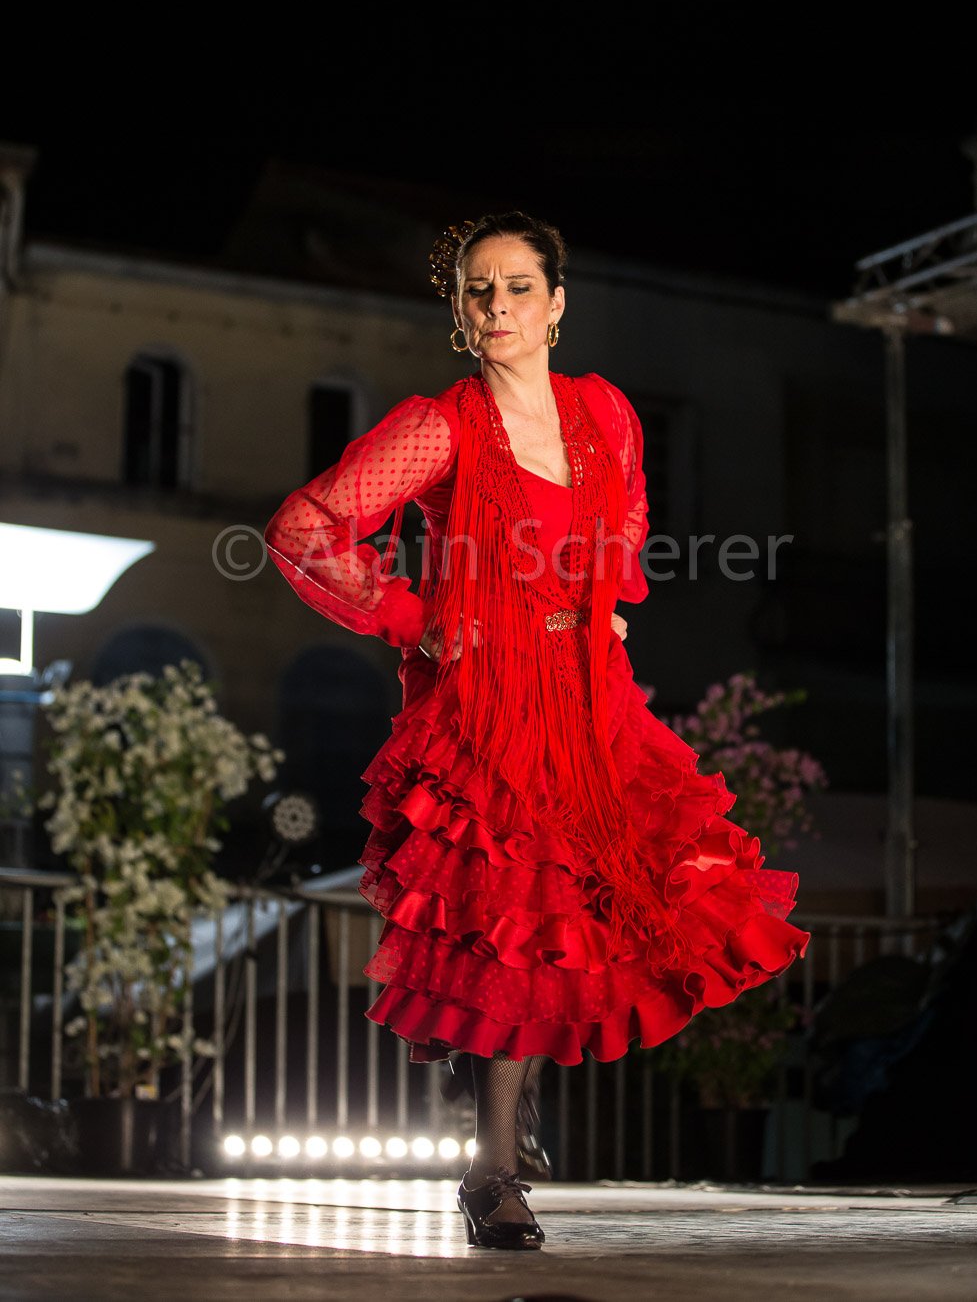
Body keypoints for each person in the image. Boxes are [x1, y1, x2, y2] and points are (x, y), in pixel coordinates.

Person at [264, 211, 810, 1250]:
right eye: (478, 289)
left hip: (589, 692)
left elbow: (629, 507)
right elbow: (305, 528)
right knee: (516, 910)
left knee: (626, 896)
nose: (498, 305)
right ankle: (493, 1171)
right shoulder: (440, 426)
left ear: (556, 303)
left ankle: (499, 1099)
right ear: (460, 313)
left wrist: (604, 602)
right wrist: (419, 621)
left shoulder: (603, 409)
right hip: (490, 706)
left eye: (518, 286)